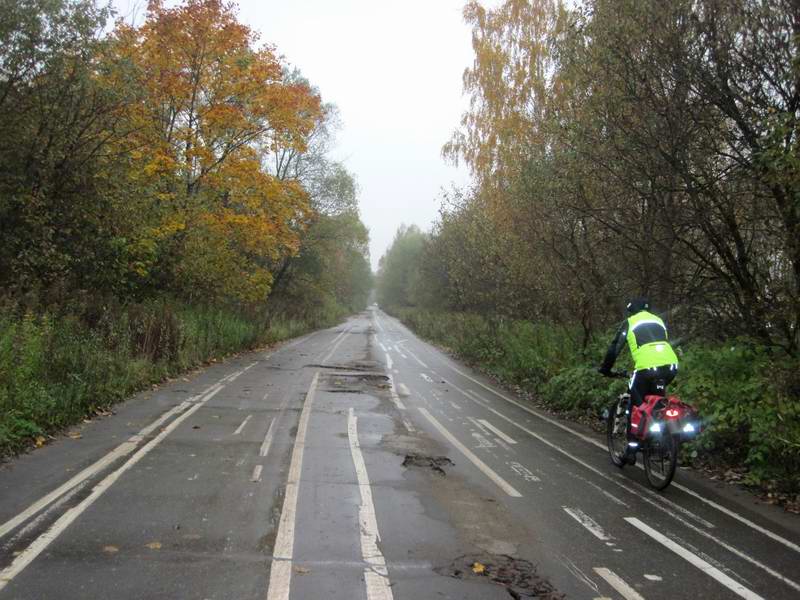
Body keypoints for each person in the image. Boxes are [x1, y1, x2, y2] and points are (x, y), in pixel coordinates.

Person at [598, 297, 679, 464]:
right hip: (670, 367)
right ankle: (662, 442)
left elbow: (614, 348)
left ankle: (632, 450)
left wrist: (606, 368)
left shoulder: (630, 322)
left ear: (631, 310)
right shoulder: (658, 320)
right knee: (656, 402)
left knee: (636, 406)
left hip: (646, 368)